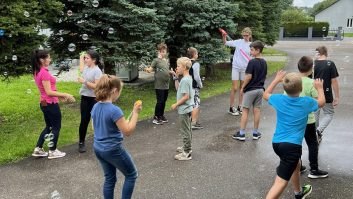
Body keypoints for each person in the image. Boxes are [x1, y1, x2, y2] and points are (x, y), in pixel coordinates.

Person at [263, 71, 325, 199]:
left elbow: (265, 94)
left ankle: (298, 193)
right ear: (301, 88)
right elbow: (322, 102)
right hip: (291, 147)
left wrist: (276, 80)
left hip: (277, 144)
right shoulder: (306, 102)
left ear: (284, 88)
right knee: (280, 183)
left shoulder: (279, 99)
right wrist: (319, 88)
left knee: (296, 164)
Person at [91, 74, 141, 199]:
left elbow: (94, 128)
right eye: (119, 91)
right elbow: (128, 131)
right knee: (131, 175)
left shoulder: (95, 106)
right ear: (114, 91)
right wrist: (135, 113)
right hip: (112, 149)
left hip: (98, 148)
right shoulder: (114, 110)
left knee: (110, 178)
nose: (119, 94)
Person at [31, 49, 75, 159]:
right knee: (56, 127)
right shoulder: (44, 73)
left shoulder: (37, 71)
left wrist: (59, 97)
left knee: (49, 126)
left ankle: (38, 149)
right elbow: (49, 92)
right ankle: (53, 151)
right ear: (42, 60)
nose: (50, 59)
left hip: (44, 102)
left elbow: (47, 91)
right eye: (49, 57)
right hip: (50, 103)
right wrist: (66, 94)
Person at [296, 56, 328, 179]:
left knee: (297, 142)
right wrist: (320, 89)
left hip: (295, 119)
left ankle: (297, 167)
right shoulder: (312, 83)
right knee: (312, 144)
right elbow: (318, 101)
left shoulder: (293, 80)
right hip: (308, 120)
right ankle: (314, 169)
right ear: (312, 69)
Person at [232, 41, 267, 141]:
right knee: (257, 111)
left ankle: (242, 134)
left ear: (258, 50)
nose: (250, 51)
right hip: (260, 89)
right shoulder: (264, 62)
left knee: (245, 111)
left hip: (251, 90)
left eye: (252, 50)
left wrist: (243, 87)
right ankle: (255, 133)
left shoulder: (252, 62)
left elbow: (248, 76)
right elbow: (264, 76)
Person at [77, 50, 103, 153]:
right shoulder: (87, 68)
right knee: (84, 120)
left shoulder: (97, 71)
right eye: (85, 58)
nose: (85, 60)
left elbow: (97, 86)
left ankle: (100, 141)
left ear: (94, 60)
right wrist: (81, 56)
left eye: (87, 58)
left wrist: (84, 82)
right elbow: (81, 68)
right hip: (85, 97)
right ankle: (81, 142)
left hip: (94, 99)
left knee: (96, 120)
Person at [222, 27, 252, 116]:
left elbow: (253, 56)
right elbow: (225, 43)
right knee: (235, 88)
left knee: (242, 88)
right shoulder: (239, 42)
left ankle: (240, 106)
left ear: (250, 35)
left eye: (246, 35)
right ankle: (231, 107)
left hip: (245, 69)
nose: (245, 37)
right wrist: (224, 36)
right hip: (236, 67)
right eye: (243, 35)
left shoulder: (251, 45)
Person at [314, 46, 340, 143]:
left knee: (315, 113)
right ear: (326, 53)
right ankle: (319, 131)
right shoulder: (330, 64)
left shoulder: (312, 64)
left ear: (317, 53)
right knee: (329, 113)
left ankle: (316, 134)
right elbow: (334, 81)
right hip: (326, 93)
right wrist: (337, 96)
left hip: (314, 93)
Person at [145, 43, 174, 125]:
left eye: (164, 51)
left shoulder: (165, 61)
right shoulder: (156, 60)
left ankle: (161, 115)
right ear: (158, 52)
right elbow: (150, 69)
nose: (163, 53)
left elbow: (165, 70)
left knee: (164, 101)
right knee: (160, 101)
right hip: (159, 85)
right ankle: (156, 117)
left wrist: (170, 72)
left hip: (166, 84)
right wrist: (147, 69)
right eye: (161, 52)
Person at [171, 57, 194, 161]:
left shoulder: (185, 80)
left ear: (184, 67)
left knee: (185, 130)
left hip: (184, 109)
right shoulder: (186, 78)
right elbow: (178, 89)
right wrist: (176, 77)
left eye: (178, 66)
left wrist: (176, 104)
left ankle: (187, 152)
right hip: (188, 108)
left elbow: (186, 96)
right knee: (187, 129)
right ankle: (187, 147)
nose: (177, 68)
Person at [187, 47, 203, 130]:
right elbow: (197, 76)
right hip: (194, 86)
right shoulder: (196, 64)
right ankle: (193, 122)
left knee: (191, 103)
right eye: (197, 53)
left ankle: (191, 120)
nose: (197, 54)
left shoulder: (186, 62)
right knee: (196, 103)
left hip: (188, 86)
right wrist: (200, 84)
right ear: (194, 54)